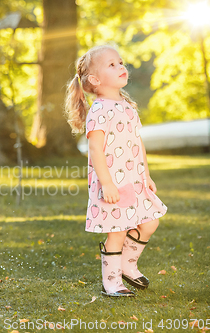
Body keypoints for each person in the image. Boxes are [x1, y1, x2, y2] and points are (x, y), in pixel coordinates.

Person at [64, 45, 167, 297]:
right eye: (112, 64)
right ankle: (111, 281)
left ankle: (127, 265)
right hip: (113, 183)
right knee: (118, 231)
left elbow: (137, 142)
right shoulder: (99, 110)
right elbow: (96, 150)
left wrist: (147, 175)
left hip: (134, 179)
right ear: (95, 80)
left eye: (120, 62)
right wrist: (107, 183)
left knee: (150, 222)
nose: (121, 66)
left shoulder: (128, 106)